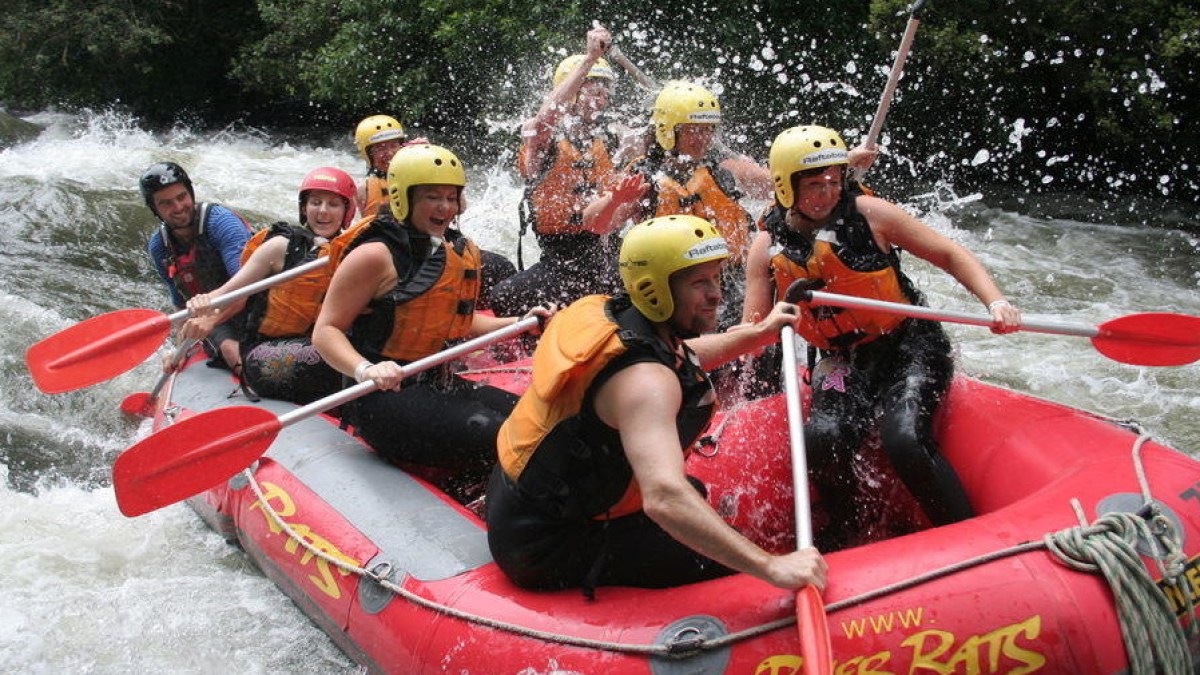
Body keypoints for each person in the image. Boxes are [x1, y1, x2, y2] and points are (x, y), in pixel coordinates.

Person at [487, 214, 827, 596]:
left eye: (716, 277)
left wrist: (756, 334)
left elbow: (678, 355)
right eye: (700, 283)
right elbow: (664, 498)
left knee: (694, 492)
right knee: (724, 563)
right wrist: (772, 566)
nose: (717, 294)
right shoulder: (644, 384)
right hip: (548, 544)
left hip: (526, 505)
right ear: (654, 290)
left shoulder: (620, 315)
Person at [742, 125, 1022, 547]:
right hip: (840, 360)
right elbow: (754, 324)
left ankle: (971, 537)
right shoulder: (766, 245)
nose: (827, 193)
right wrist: (759, 331)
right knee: (823, 439)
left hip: (908, 345)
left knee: (905, 437)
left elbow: (948, 253)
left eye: (835, 182)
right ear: (784, 187)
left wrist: (995, 301)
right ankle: (852, 529)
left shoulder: (871, 214)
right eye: (815, 185)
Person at [312, 143, 554, 502]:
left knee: (545, 427)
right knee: (505, 435)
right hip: (383, 398)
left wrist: (520, 322)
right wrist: (366, 370)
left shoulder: (455, 249)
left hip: (439, 384)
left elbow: (458, 323)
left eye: (450, 197)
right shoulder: (375, 256)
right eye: (432, 197)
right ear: (403, 198)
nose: (444, 207)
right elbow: (325, 331)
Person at [185, 167, 358, 404]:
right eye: (315, 202)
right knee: (330, 355)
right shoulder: (281, 246)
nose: (323, 211)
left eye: (333, 204)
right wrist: (206, 311)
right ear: (304, 208)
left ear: (347, 211)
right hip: (263, 354)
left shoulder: (354, 254)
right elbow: (232, 293)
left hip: (319, 344)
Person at [488, 25, 625, 317]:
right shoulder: (540, 138)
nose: (600, 98)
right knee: (500, 297)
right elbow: (543, 120)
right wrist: (588, 60)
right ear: (572, 90)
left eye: (604, 91)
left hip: (609, 254)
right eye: (591, 89)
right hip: (562, 262)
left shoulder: (612, 137)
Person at [354, 113, 515, 310]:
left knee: (501, 266)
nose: (388, 153)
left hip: (440, 242)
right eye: (380, 148)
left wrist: (433, 162)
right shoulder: (364, 189)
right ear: (367, 154)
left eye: (393, 145)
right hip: (403, 250)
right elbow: (366, 230)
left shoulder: (423, 171)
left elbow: (460, 208)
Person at [141, 161, 252, 374]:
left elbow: (246, 288)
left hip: (252, 302)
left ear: (191, 194)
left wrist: (211, 319)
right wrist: (179, 349)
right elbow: (181, 307)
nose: (178, 207)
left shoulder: (222, 223)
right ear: (155, 209)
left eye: (181, 197)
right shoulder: (159, 246)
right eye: (166, 203)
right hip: (215, 315)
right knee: (230, 351)